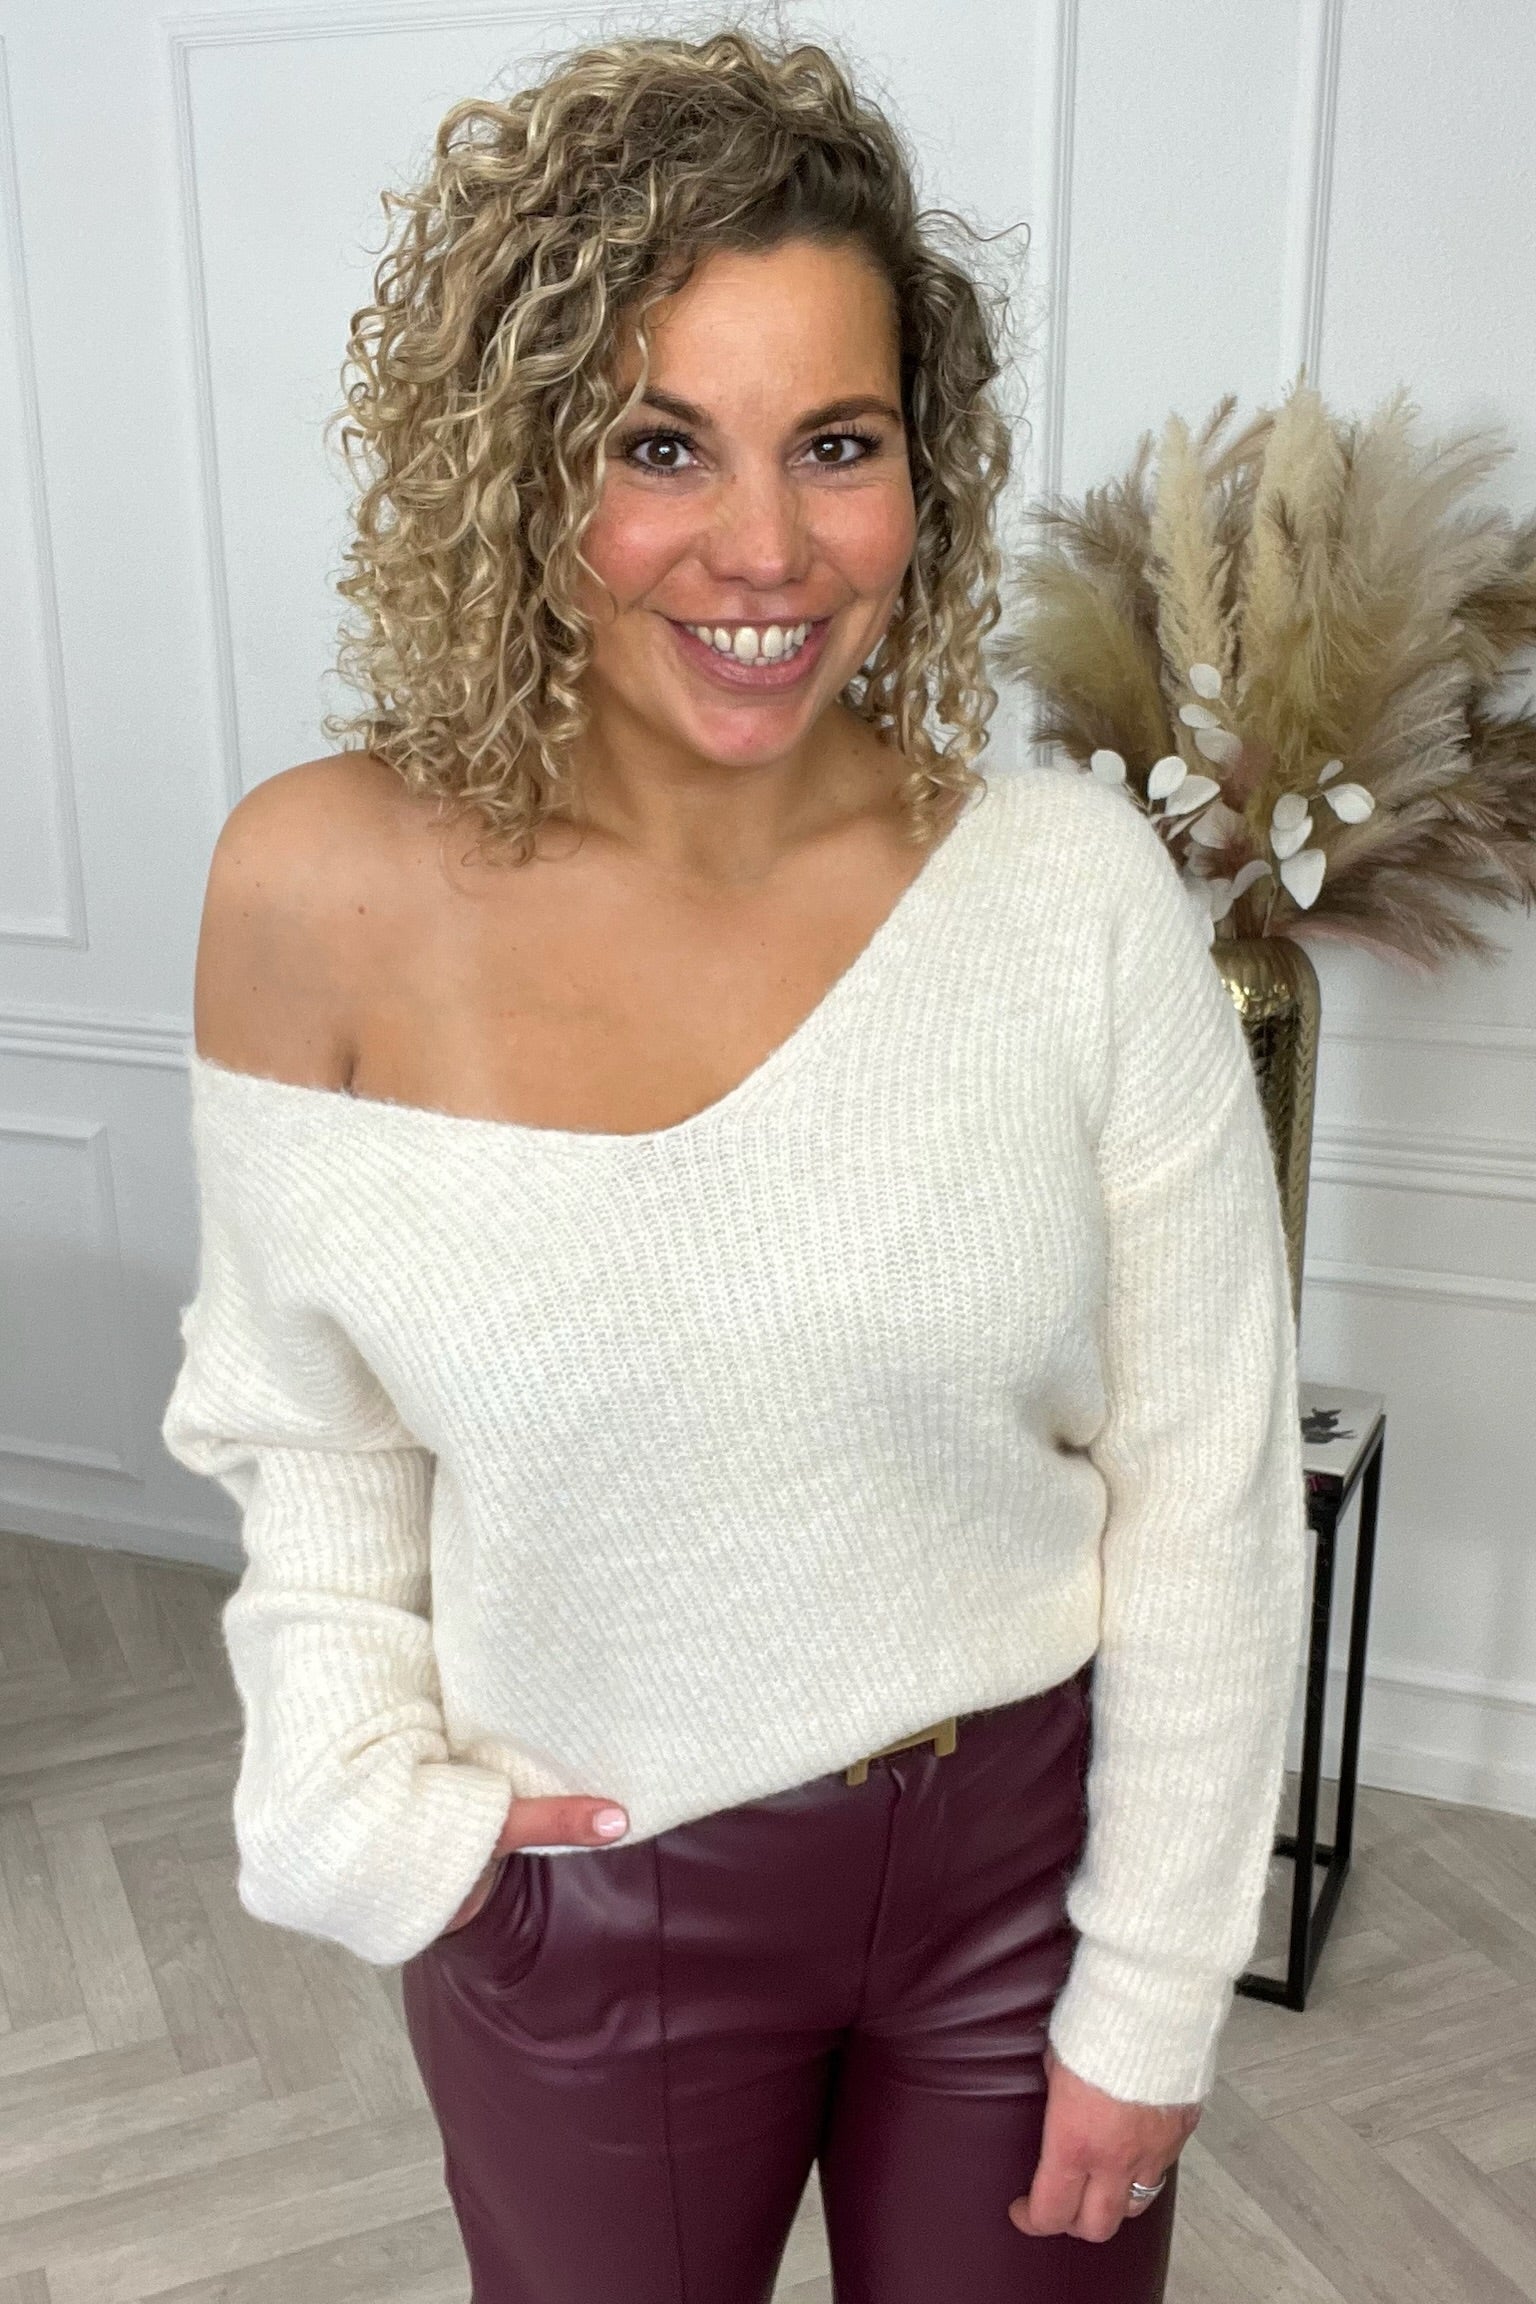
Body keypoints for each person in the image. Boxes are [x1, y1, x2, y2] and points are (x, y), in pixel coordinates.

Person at [159, 27, 1308, 2304]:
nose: (767, 549)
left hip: (1022, 1879)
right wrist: (378, 1821)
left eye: (838, 445)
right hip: (597, 1893)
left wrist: (1155, 1984)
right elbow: (311, 1429)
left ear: (923, 476)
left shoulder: (1068, 895)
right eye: (659, 443)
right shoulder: (320, 891)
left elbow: (1207, 1480)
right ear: (518, 466)